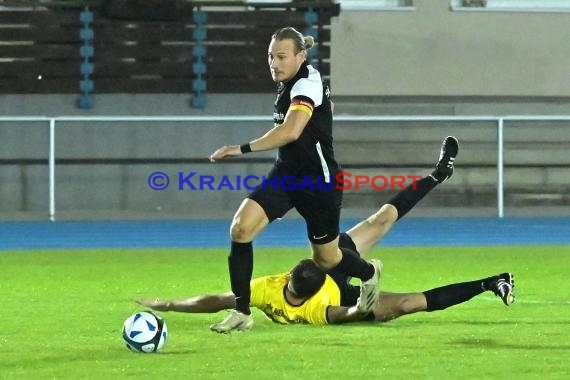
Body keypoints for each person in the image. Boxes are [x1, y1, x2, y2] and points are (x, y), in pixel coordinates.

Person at [139, 136, 514, 326]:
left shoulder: (269, 290)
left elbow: (216, 300)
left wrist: (169, 304)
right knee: (407, 301)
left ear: (288, 279)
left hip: (340, 265)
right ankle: (492, 281)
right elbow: (346, 312)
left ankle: (438, 175)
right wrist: (360, 307)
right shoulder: (318, 304)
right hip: (347, 291)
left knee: (384, 224)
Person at [207, 26, 382, 332]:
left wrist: (240, 149)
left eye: (281, 57)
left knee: (328, 259)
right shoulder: (296, 80)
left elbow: (290, 131)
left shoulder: (305, 85)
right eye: (271, 56)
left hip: (319, 182)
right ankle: (242, 310)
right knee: (240, 228)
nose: (274, 63)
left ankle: (368, 272)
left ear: (300, 57)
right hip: (287, 174)